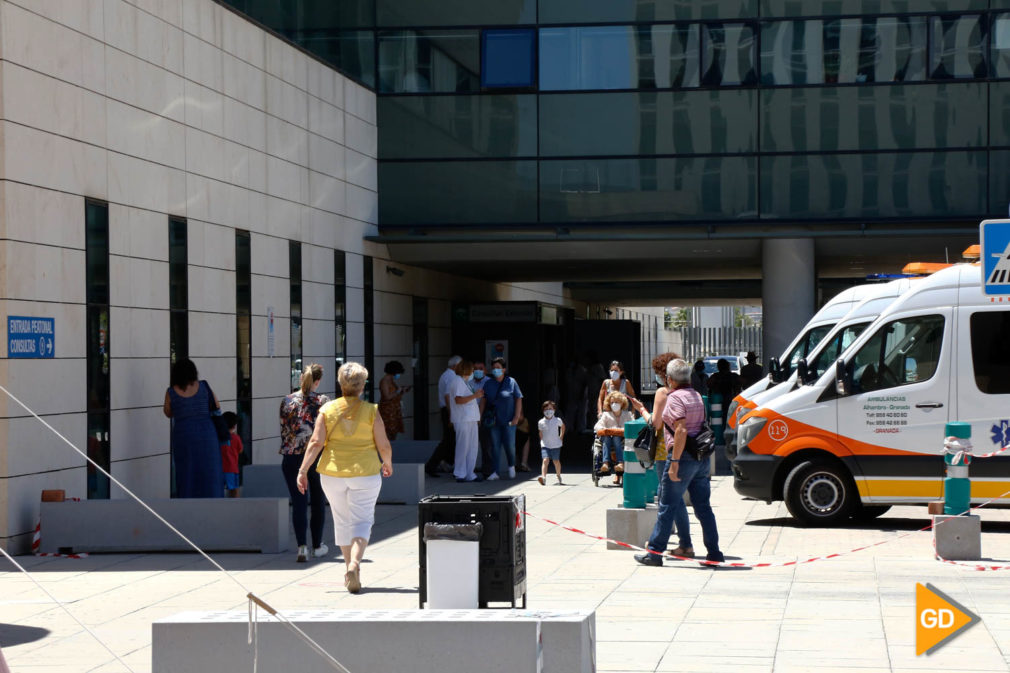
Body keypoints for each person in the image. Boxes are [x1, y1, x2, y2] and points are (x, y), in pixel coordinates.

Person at [298, 362, 393, 594]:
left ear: (340, 384)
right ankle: (355, 565)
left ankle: (349, 568)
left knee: (341, 520)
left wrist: (303, 470)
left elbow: (316, 442)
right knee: (362, 521)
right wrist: (387, 462)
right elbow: (383, 444)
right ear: (362, 387)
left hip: (332, 473)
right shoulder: (371, 410)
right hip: (366, 471)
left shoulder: (327, 410)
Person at [635, 359, 725, 566]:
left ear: (670, 379)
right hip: (700, 458)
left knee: (667, 505)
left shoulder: (674, 398)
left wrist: (674, 462)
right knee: (703, 507)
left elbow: (681, 430)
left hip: (682, 457)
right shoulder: (696, 396)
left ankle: (655, 552)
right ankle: (714, 552)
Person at [630, 353, 687, 533]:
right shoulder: (687, 392)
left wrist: (641, 409)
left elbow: (655, 423)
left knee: (666, 491)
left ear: (664, 374)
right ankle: (676, 532)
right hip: (685, 446)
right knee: (675, 492)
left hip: (665, 446)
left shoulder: (663, 392)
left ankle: (665, 530)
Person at [280, 364, 331, 562]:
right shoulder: (323, 401)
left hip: (291, 456)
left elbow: (284, 428)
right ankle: (317, 545)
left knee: (299, 501)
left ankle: (301, 547)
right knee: (318, 501)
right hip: (316, 456)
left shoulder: (286, 400)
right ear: (317, 381)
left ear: (301, 379)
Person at [163, 358, 224, 498]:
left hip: (184, 433)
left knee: (186, 470)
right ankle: (213, 499)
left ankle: (187, 501)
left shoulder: (171, 391)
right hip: (207, 432)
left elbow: (168, 412)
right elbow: (216, 405)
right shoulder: (204, 386)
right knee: (210, 469)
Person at [482, 357, 523, 480]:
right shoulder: (488, 383)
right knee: (495, 446)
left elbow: (518, 398)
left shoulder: (511, 382)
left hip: (509, 420)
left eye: (498, 368)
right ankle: (495, 471)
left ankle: (511, 466)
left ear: (504, 369)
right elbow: (483, 400)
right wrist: (480, 415)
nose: (496, 370)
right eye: (494, 368)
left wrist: (517, 416)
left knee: (510, 445)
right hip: (494, 421)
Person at [425, 355, 461, 477]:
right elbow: (448, 396)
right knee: (448, 440)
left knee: (451, 440)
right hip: (449, 410)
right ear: (455, 365)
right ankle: (432, 465)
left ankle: (447, 462)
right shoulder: (451, 376)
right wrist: (452, 414)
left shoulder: (446, 375)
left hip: (448, 410)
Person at [450, 360, 484, 482]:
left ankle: (470, 473)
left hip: (471, 418)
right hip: (462, 418)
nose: (473, 372)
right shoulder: (458, 381)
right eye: (472, 369)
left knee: (472, 447)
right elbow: (458, 400)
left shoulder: (466, 382)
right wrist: (475, 396)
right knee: (463, 446)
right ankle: (460, 473)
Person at [594, 390, 634, 485]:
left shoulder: (627, 415)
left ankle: (620, 463)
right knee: (607, 438)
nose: (614, 404)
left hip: (621, 439)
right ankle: (605, 463)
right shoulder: (606, 415)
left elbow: (632, 424)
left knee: (616, 438)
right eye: (612, 402)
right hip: (606, 438)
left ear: (622, 403)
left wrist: (621, 430)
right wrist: (605, 429)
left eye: (616, 402)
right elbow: (597, 427)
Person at [470, 362, 494, 476]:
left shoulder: (489, 382)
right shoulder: (469, 383)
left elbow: (484, 401)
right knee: (469, 445)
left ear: (485, 370)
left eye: (481, 369)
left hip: (484, 416)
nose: (478, 371)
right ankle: (469, 469)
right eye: (475, 369)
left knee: (486, 444)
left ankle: (487, 471)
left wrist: (479, 416)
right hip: (470, 416)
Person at [378, 360, 411, 442]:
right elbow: (387, 396)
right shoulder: (384, 381)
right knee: (388, 431)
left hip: (394, 410)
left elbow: (394, 393)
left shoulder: (391, 381)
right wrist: (398, 391)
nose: (398, 375)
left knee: (394, 432)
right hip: (387, 411)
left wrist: (403, 390)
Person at [537, 401, 564, 485]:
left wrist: (561, 436)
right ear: (543, 411)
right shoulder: (541, 422)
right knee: (545, 460)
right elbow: (540, 432)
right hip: (545, 445)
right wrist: (542, 440)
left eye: (550, 409)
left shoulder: (557, 420)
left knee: (556, 461)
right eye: (546, 409)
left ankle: (558, 475)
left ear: (554, 410)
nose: (548, 411)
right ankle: (544, 478)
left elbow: (563, 427)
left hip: (556, 444)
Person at [221, 411, 242, 498]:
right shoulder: (236, 438)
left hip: (220, 469)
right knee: (234, 490)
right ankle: (236, 508)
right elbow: (240, 450)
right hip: (232, 469)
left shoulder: (219, 438)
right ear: (234, 425)